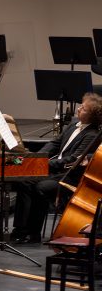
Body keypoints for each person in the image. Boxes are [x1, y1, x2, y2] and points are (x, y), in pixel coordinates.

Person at [12, 92, 102, 243]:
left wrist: (44, 164)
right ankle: (20, 228)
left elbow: (73, 159)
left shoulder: (93, 134)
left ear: (92, 116)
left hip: (69, 175)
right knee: (23, 180)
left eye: (84, 109)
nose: (79, 109)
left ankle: (33, 232)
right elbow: (54, 143)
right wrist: (38, 158)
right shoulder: (73, 123)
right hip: (54, 170)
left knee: (40, 186)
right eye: (81, 105)